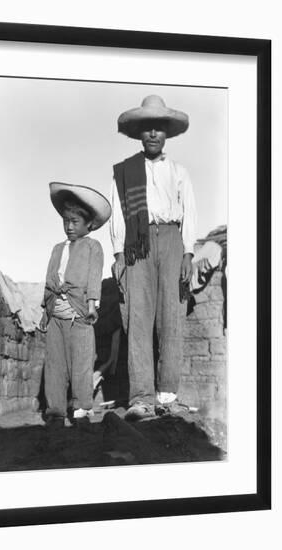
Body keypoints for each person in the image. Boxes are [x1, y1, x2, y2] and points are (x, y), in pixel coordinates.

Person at [110, 94, 197, 419]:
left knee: (170, 317)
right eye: (147, 128)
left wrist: (188, 252)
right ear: (139, 133)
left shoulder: (179, 172)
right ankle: (141, 397)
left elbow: (190, 212)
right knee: (139, 318)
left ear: (166, 133)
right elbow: (119, 214)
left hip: (172, 240)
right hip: (138, 243)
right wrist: (119, 252)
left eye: (158, 128)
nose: (152, 134)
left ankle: (167, 394)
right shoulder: (125, 172)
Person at [40, 182, 111, 426]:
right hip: (56, 316)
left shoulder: (93, 247)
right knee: (55, 365)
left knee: (81, 363)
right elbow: (50, 280)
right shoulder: (57, 249)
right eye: (65, 221)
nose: (69, 226)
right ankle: (55, 411)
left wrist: (91, 306)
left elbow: (93, 278)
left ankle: (81, 408)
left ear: (88, 224)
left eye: (75, 222)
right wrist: (46, 310)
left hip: (79, 314)